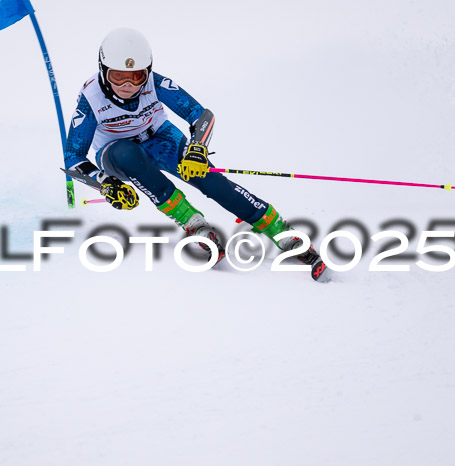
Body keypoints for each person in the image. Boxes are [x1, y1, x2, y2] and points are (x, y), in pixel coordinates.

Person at [63, 27, 327, 279]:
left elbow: (201, 115)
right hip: (116, 154)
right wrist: (105, 184)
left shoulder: (156, 84)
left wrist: (197, 149)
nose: (128, 85)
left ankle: (282, 232)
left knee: (213, 182)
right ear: (103, 69)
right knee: (127, 153)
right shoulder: (91, 98)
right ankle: (192, 223)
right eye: (118, 76)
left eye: (137, 76)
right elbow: (73, 157)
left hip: (161, 138)